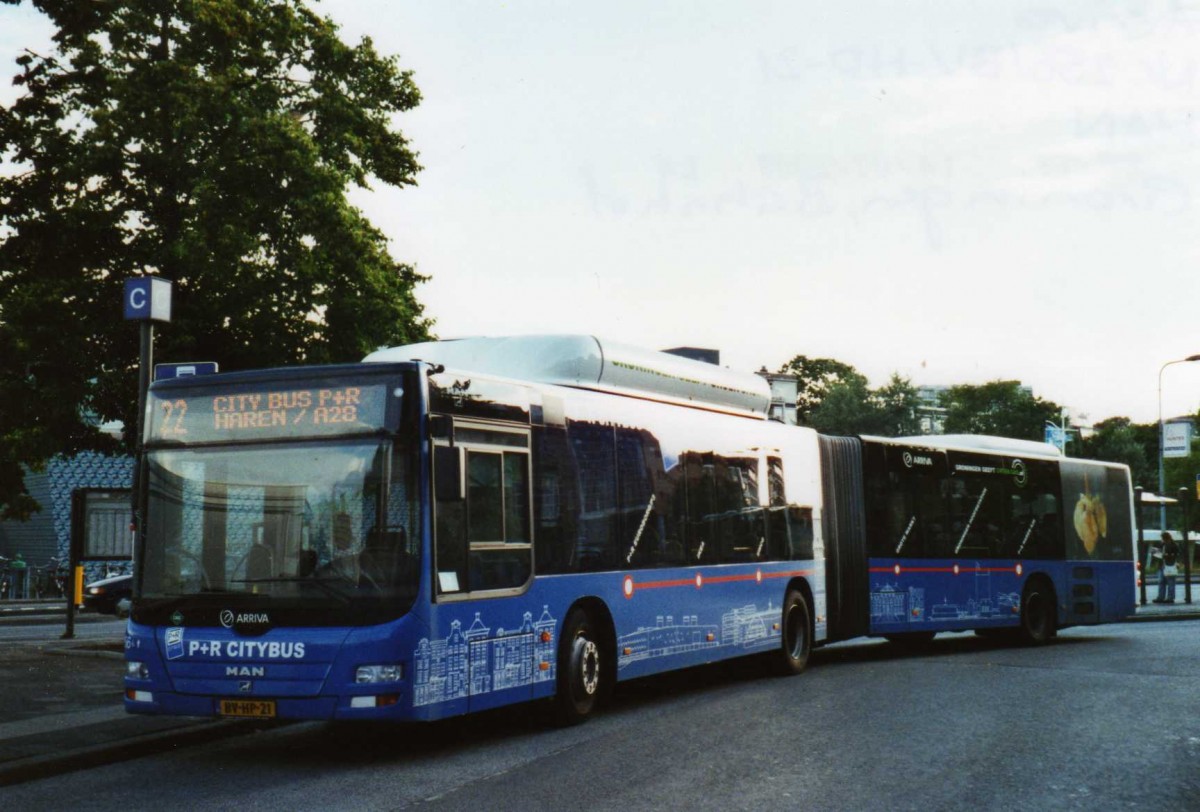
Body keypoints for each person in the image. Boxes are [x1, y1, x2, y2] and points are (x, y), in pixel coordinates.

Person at [1154, 532, 1180, 604]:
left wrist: (1165, 555)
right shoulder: (1164, 544)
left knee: (1167, 582)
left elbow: (1175, 555)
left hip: (1169, 565)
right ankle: (1164, 597)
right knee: (1163, 581)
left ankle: (1167, 597)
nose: (1162, 540)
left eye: (1163, 538)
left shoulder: (1173, 545)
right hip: (1164, 565)